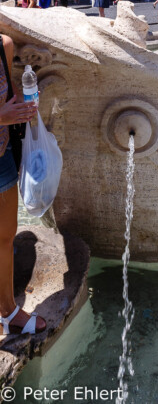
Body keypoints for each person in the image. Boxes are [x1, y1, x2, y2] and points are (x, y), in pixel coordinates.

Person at [0, 33, 46, 335]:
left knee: (5, 236)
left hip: (1, 153)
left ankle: (7, 311)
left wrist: (27, 105)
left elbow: (11, 94)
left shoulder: (3, 45)